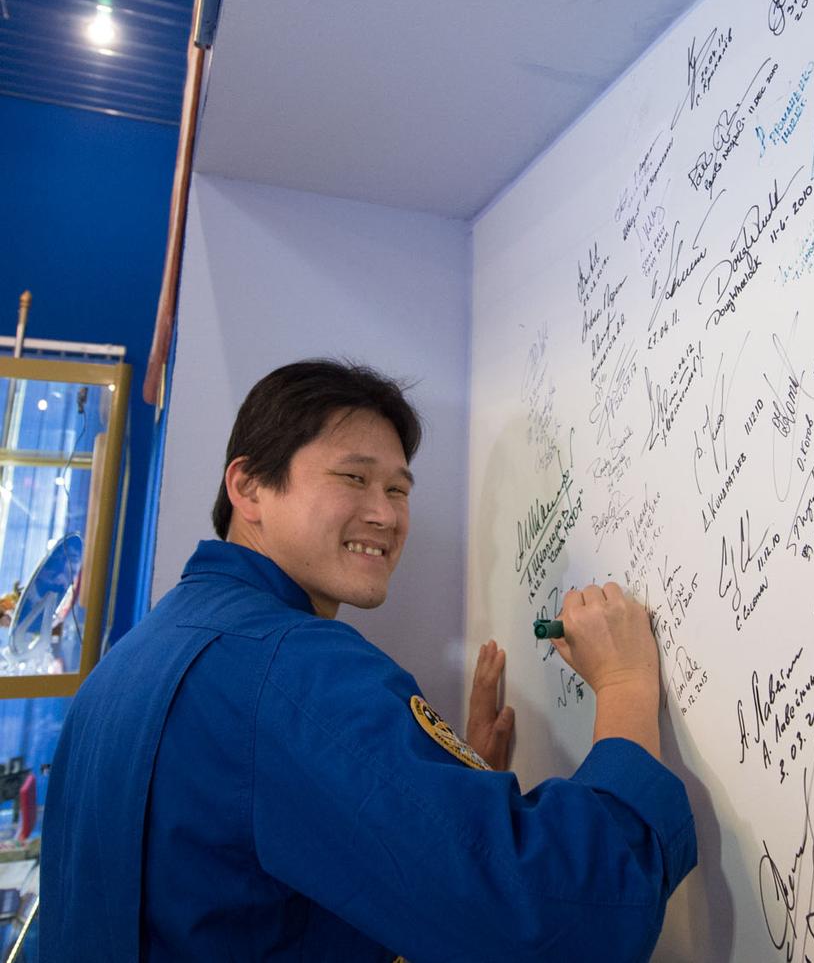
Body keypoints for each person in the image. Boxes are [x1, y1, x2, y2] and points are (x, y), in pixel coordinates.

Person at [41, 360, 696, 961]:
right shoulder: (291, 668)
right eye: (353, 477)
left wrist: (443, 797)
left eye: (399, 488)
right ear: (247, 487)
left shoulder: (135, 656)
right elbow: (570, 909)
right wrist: (625, 682)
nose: (384, 513)